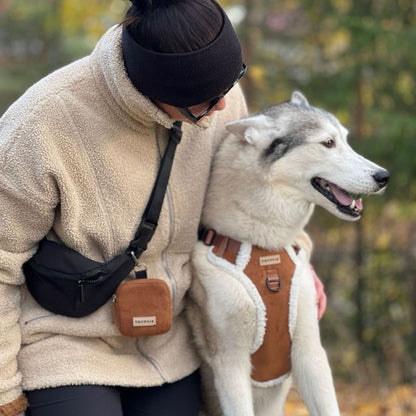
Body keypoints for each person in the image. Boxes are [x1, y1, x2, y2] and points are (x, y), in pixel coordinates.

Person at [0, 1, 325, 415]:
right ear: (153, 92)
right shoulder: (41, 125)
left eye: (231, 82)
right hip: (65, 343)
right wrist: (4, 388)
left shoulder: (217, 96)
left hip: (173, 344)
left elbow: (251, 195)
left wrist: (296, 256)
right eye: (204, 103)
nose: (223, 107)